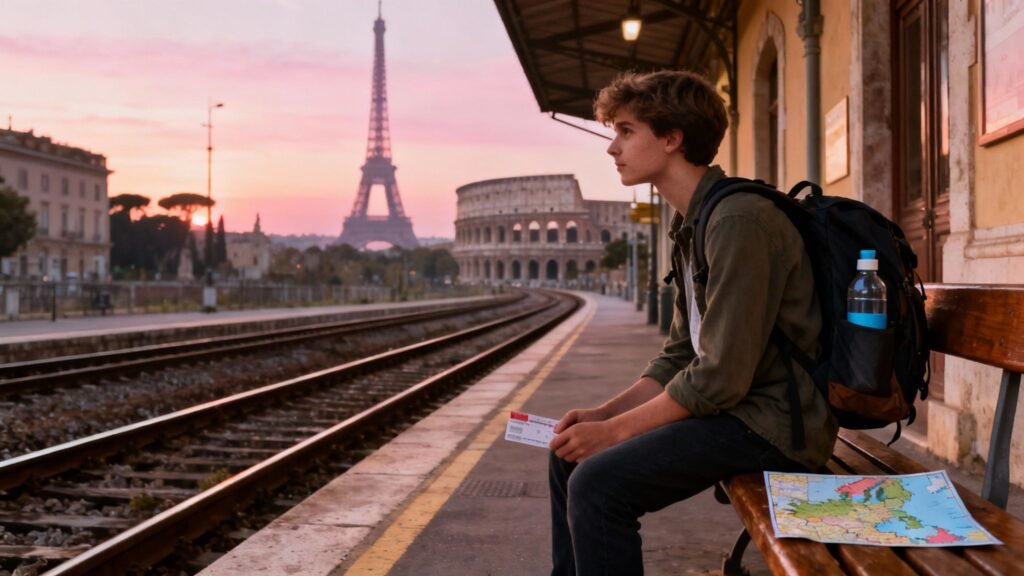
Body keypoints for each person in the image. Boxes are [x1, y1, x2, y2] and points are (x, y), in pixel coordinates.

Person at [547, 70, 838, 576]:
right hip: (741, 408)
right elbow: (682, 353)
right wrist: (602, 415)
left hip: (777, 424)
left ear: (671, 138)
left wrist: (615, 433)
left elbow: (719, 377)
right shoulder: (694, 222)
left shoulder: (738, 221)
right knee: (568, 456)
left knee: (598, 484)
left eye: (625, 131)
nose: (612, 148)